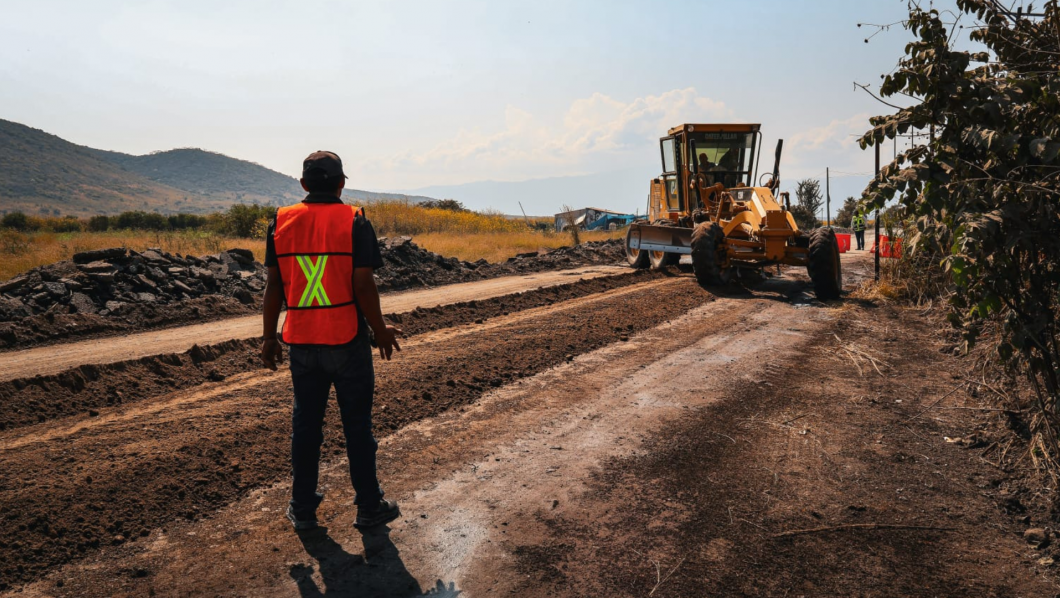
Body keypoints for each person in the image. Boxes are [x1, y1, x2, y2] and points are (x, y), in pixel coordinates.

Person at [261, 150, 403, 531]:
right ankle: (369, 506)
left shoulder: (281, 221)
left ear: (304, 184)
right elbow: (362, 284)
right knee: (358, 427)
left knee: (306, 427)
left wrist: (268, 338)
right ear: (342, 183)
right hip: (347, 341)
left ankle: (303, 507)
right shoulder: (354, 220)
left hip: (302, 344)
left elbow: (274, 286)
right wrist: (381, 329)